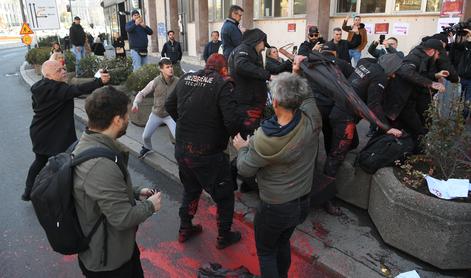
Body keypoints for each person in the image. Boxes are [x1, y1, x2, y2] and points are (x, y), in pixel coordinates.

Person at [233, 68, 322, 278]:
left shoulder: (263, 138)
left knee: (266, 252)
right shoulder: (311, 120)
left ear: (274, 103)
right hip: (302, 202)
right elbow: (308, 95)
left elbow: (244, 168)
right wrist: (297, 73)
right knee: (282, 242)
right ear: (297, 100)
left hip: (276, 207)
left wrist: (242, 148)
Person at [73, 86, 162, 277]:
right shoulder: (99, 165)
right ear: (117, 120)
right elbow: (122, 219)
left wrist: (136, 191)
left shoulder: (91, 141)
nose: (129, 119)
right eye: (127, 115)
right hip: (109, 261)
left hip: (118, 248)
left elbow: (101, 191)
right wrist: (150, 206)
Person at [165, 54, 242, 249]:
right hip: (209, 153)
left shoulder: (186, 78)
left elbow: (169, 105)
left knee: (190, 189)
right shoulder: (223, 84)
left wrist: (186, 122)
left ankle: (185, 228)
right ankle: (224, 236)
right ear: (223, 69)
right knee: (224, 196)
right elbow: (231, 122)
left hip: (183, 149)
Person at [22, 60, 110, 201]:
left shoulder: (39, 86)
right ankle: (66, 198)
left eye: (63, 68)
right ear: (49, 75)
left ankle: (28, 192)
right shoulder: (57, 90)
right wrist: (99, 82)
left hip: (40, 132)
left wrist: (97, 79)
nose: (63, 71)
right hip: (56, 135)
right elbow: (77, 90)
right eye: (59, 70)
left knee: (40, 161)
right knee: (65, 164)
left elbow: (71, 91)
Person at [383, 39, 446, 150]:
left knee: (409, 130)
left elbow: (420, 74)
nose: (439, 57)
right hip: (400, 103)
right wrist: (431, 83)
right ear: (431, 51)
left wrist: (436, 76)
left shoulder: (423, 59)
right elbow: (406, 71)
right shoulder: (414, 58)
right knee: (415, 130)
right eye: (439, 53)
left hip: (407, 102)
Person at [229, 28, 273, 138]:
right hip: (246, 105)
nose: (263, 48)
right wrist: (268, 76)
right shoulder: (243, 50)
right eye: (263, 43)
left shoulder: (250, 51)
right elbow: (241, 65)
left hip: (252, 103)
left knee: (252, 134)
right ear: (257, 41)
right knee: (248, 136)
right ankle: (245, 154)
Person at [132, 58, 179, 158]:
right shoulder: (155, 82)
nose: (171, 69)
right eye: (167, 67)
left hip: (170, 115)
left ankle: (181, 155)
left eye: (171, 66)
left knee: (178, 138)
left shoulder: (178, 81)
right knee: (145, 136)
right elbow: (142, 93)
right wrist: (135, 103)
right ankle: (147, 148)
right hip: (156, 114)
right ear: (161, 69)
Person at [450, 28, 471, 120]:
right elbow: (457, 46)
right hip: (461, 77)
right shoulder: (465, 47)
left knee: (467, 102)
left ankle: (461, 121)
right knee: (455, 100)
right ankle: (453, 120)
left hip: (470, 80)